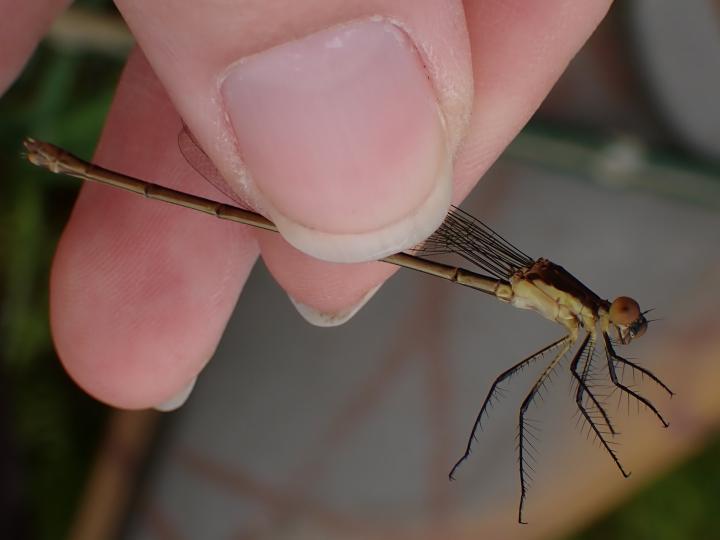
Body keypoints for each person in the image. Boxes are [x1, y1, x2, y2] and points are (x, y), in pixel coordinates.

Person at [1, 0, 612, 410]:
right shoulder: (579, 313)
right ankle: (63, 162)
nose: (619, 328)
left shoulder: (584, 323)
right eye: (621, 318)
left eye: (622, 323)